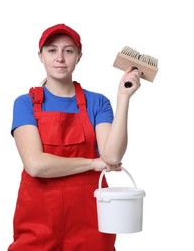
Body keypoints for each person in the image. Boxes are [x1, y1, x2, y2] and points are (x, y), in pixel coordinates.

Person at [8, 23, 141, 251]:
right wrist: (92, 163)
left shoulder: (97, 103)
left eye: (68, 50)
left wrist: (123, 97)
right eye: (51, 50)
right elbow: (36, 165)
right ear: (40, 56)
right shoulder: (25, 104)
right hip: (38, 219)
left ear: (79, 56)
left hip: (90, 220)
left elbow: (111, 154)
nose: (60, 57)